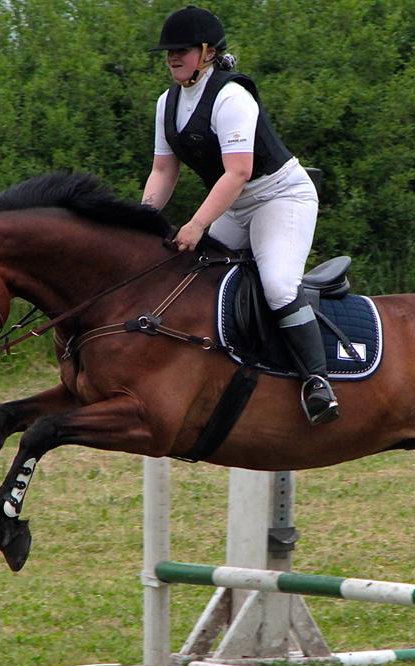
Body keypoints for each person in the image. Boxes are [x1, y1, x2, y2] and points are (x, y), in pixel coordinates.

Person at [141, 5, 339, 425]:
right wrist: (141, 220)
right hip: (236, 204)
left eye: (183, 50)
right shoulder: (167, 103)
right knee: (190, 274)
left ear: (208, 51)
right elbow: (163, 170)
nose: (173, 57)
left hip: (280, 197)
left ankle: (317, 382)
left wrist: (196, 224)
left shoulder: (231, 96)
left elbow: (238, 172)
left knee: (279, 285)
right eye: (169, 51)